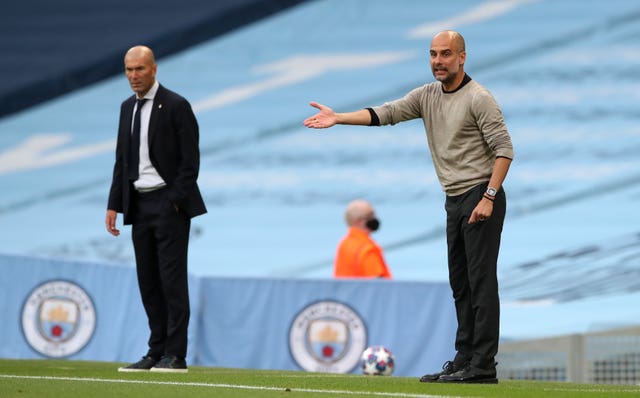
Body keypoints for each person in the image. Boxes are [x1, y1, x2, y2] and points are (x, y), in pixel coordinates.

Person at [303, 30, 513, 384]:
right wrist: (338, 117)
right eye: (433, 54)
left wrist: (489, 198)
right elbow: (386, 113)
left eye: (446, 54)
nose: (438, 61)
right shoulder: (427, 95)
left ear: (462, 57)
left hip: (480, 194)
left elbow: (504, 150)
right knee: (460, 284)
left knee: (480, 283)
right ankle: (464, 358)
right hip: (454, 198)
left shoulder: (479, 98)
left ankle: (483, 366)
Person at [106, 45, 207, 373]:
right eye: (128, 70)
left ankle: (175, 355)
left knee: (172, 281)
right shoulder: (126, 108)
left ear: (154, 69)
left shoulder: (176, 105)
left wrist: (174, 201)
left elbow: (190, 162)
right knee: (147, 280)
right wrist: (113, 204)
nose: (133, 76)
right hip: (138, 204)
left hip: (168, 203)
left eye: (139, 69)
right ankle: (155, 350)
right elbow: (122, 161)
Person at [334, 199, 392, 279]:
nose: (374, 219)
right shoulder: (367, 249)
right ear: (358, 221)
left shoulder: (344, 244)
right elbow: (378, 283)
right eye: (370, 216)